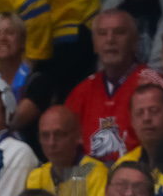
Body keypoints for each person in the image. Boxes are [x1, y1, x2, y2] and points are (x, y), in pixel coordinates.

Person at [64, 9, 157, 163]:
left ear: (135, 41)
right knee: (74, 182)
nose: (110, 40)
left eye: (119, 32)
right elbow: (67, 149)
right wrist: (76, 182)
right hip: (92, 174)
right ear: (94, 44)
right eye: (102, 33)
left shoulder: (152, 83)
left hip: (139, 171)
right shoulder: (81, 92)